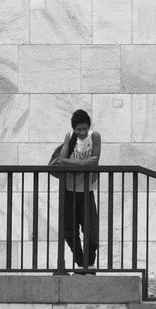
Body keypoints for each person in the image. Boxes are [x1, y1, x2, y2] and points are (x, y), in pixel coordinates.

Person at [55, 109, 101, 274]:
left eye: (85, 129)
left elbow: (94, 162)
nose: (82, 132)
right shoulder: (69, 137)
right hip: (69, 190)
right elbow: (61, 161)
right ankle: (81, 263)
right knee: (70, 231)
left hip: (87, 190)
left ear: (89, 127)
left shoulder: (94, 137)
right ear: (73, 128)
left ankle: (89, 264)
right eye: (78, 129)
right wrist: (82, 163)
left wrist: (73, 163)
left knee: (92, 231)